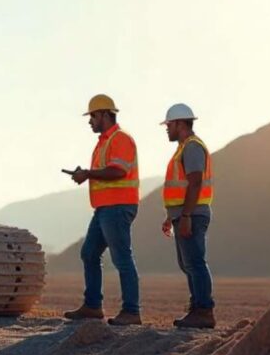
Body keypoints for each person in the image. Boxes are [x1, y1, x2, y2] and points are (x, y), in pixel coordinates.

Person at [64, 94, 142, 326]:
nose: (90, 121)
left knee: (122, 258)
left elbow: (118, 171)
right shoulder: (104, 143)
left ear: (107, 115)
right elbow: (106, 172)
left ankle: (131, 311)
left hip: (117, 207)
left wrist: (87, 174)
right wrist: (86, 173)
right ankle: (93, 306)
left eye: (93, 116)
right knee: (89, 253)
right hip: (104, 208)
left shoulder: (120, 139)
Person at [160, 103, 216, 329]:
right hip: (185, 213)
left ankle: (204, 310)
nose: (166, 129)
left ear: (180, 124)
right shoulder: (184, 147)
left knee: (195, 262)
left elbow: (195, 182)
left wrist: (185, 216)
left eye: (169, 125)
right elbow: (182, 186)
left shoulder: (192, 147)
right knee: (188, 264)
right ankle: (197, 309)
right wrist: (171, 216)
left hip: (193, 214)